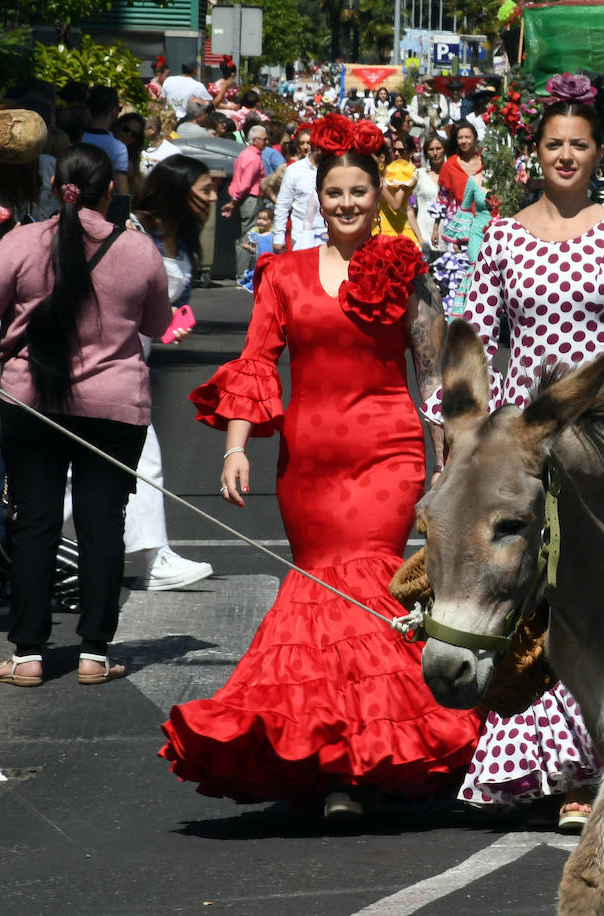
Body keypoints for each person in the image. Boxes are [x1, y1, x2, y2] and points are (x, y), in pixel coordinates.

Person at [158, 116, 481, 820]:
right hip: (308, 464)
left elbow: (432, 374)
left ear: (376, 196)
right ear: (316, 196)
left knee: (368, 593)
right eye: (334, 192)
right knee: (323, 601)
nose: (346, 204)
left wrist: (446, 462)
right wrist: (236, 446)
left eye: (358, 192)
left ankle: (358, 768)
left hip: (387, 454)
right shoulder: (282, 273)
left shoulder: (406, 267)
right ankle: (337, 764)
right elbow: (255, 362)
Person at [423, 76, 604, 831]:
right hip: (522, 438)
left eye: (580, 144)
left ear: (598, 153)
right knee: (507, 585)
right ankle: (531, 759)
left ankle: (593, 765)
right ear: (534, 154)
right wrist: (459, 434)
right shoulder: (506, 236)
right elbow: (474, 331)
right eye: (554, 145)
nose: (567, 156)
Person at [0, 144, 174, 688]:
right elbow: (158, 324)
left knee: (33, 522)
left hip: (33, 403)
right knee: (101, 524)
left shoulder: (20, 242)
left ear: (54, 188)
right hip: (114, 406)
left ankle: (27, 654)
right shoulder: (138, 250)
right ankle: (93, 651)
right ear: (109, 190)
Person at [122, 155, 217, 590]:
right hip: (111, 357)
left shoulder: (188, 239)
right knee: (143, 458)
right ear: (179, 191)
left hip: (137, 358)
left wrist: (173, 322)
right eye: (205, 190)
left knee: (108, 463)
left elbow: (169, 306)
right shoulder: (133, 230)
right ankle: (154, 559)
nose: (214, 198)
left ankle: (43, 546)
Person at [221, 125, 268, 278]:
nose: (267, 142)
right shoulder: (253, 159)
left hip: (243, 199)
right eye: (264, 139)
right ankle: (243, 273)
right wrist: (234, 202)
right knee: (249, 235)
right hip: (250, 199)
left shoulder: (244, 154)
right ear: (255, 140)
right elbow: (245, 185)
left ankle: (242, 272)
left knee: (244, 234)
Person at [272, 126, 325, 252]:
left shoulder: (332, 169)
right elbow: (283, 205)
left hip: (326, 236)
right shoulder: (294, 170)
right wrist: (278, 237)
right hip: (301, 237)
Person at [80, 86, 131, 197]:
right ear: (114, 111)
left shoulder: (75, 137)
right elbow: (122, 193)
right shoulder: (118, 148)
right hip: (101, 209)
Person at [378, 135, 421, 243]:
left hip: (397, 232)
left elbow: (396, 205)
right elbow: (408, 208)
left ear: (411, 152)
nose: (397, 154)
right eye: (395, 150)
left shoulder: (407, 172)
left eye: (401, 151)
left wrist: (380, 185)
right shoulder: (389, 169)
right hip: (380, 227)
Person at [415, 133, 447, 258]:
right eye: (431, 149)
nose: (435, 153)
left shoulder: (452, 175)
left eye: (438, 148)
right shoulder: (419, 175)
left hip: (445, 232)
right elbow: (410, 205)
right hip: (422, 231)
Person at [238, 206, 275, 291]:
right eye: (259, 218)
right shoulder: (255, 235)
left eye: (264, 219)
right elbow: (255, 251)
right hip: (260, 263)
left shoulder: (273, 235)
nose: (261, 221)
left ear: (271, 222)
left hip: (271, 263)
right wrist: (249, 248)